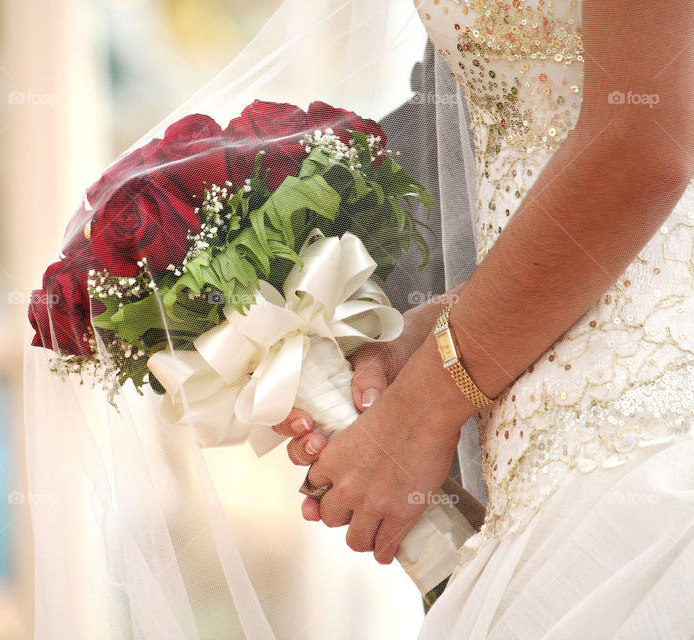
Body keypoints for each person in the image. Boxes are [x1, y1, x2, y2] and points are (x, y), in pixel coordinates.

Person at [273, 1, 694, 636]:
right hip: (536, 434)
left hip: (654, 415)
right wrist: (430, 327)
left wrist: (420, 410)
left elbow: (643, 145)